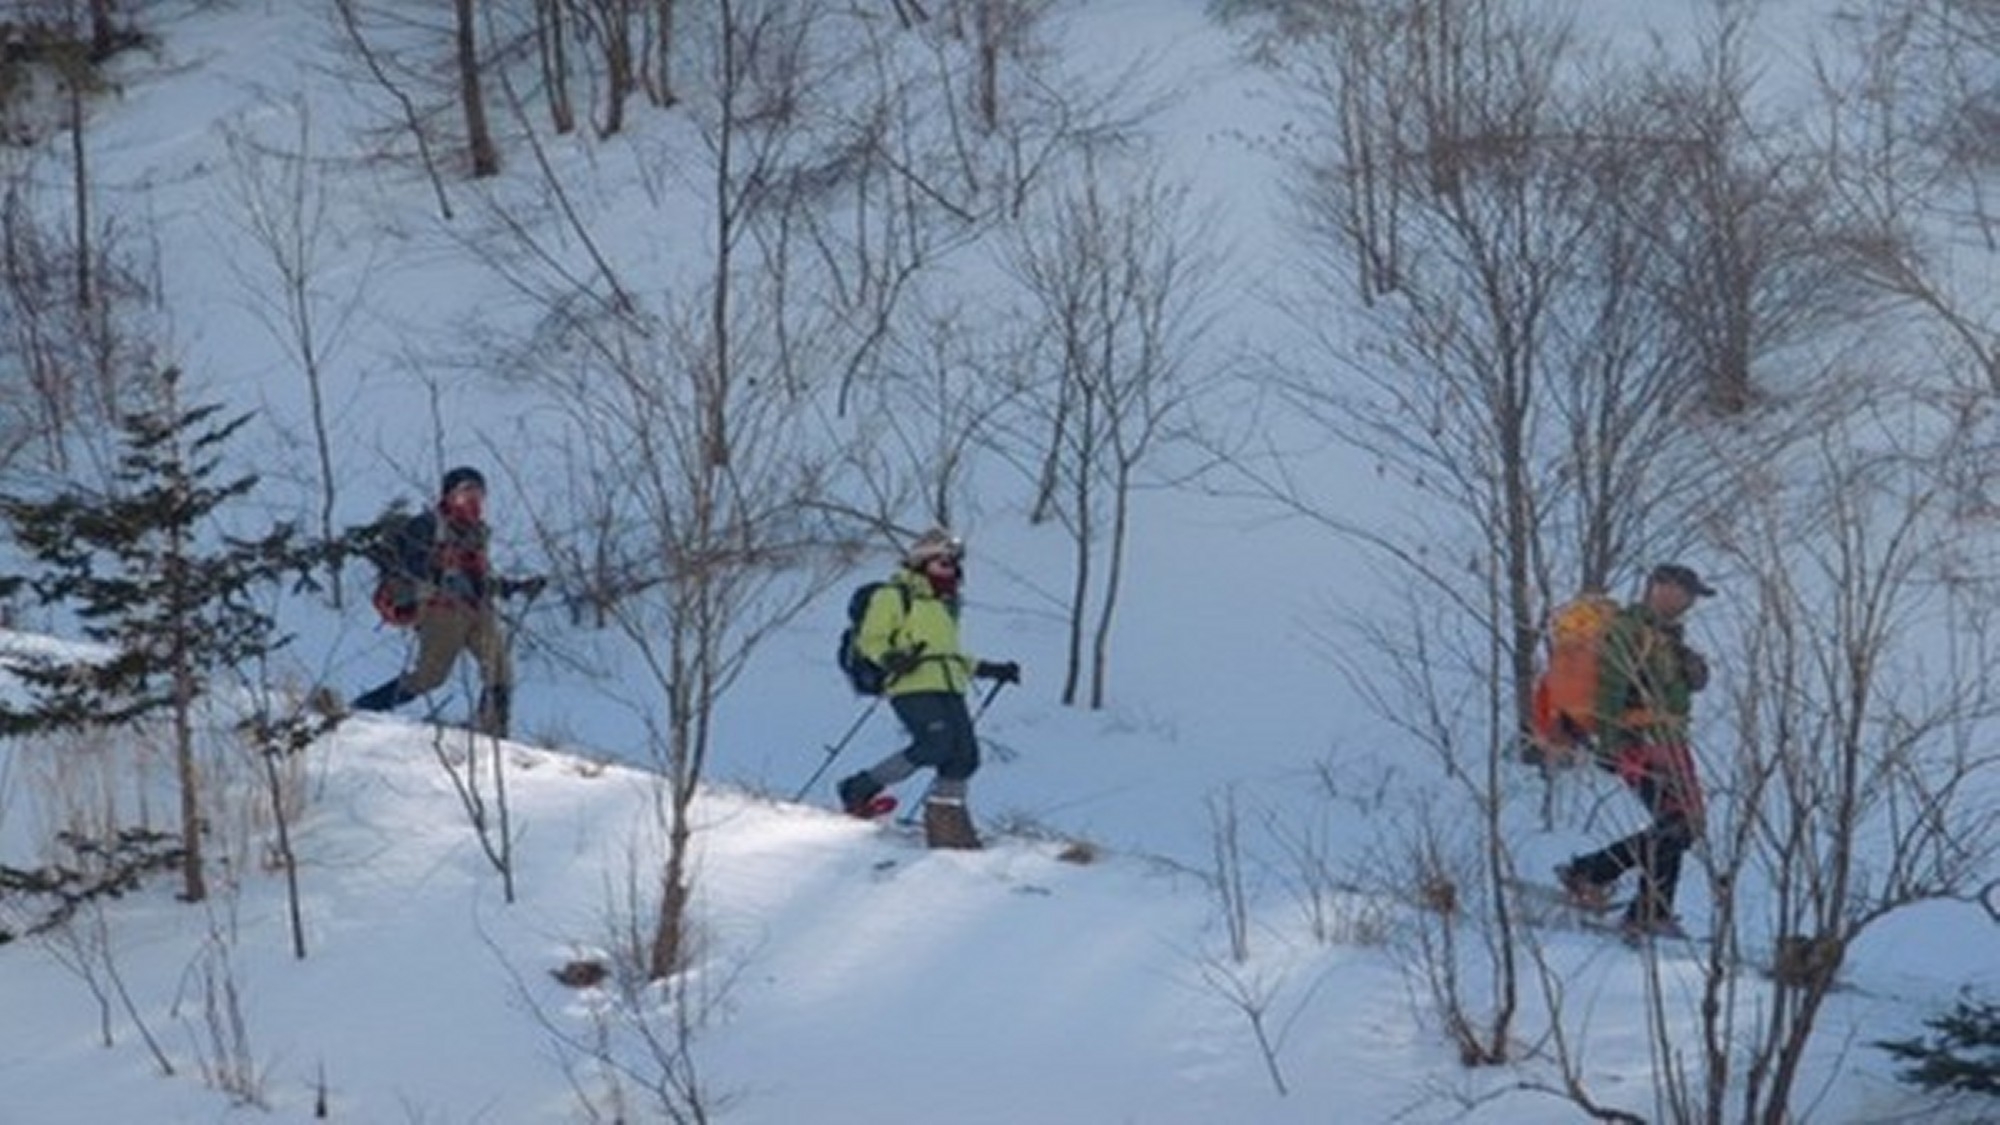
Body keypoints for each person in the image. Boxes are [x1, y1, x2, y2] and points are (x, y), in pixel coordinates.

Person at [1556, 562, 1715, 940]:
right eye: (1686, 593)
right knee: (1676, 824)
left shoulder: (1665, 636)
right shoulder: (1627, 631)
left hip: (1669, 743)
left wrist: (1691, 669)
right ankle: (1646, 910)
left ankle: (1594, 875)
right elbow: (1610, 686)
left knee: (1684, 825)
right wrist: (1610, 744)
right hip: (1639, 743)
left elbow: (1674, 689)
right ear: (1660, 588)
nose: (1691, 602)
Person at [835, 528, 1020, 849]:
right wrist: (892, 659)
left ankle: (945, 823)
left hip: (948, 684)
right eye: (942, 561)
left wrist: (989, 669)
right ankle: (859, 787)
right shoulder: (894, 595)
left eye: (953, 562)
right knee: (935, 744)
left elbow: (949, 654)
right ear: (922, 562)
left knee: (965, 756)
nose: (949, 567)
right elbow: (871, 639)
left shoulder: (944, 604)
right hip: (910, 683)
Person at [352, 466, 541, 736]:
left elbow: (479, 578)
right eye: (466, 493)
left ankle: (495, 732)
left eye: (478, 493)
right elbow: (414, 568)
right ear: (449, 495)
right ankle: (364, 708)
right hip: (442, 610)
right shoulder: (426, 525)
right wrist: (438, 573)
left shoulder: (478, 532)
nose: (473, 500)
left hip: (477, 608)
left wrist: (515, 587)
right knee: (430, 677)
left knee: (500, 669)